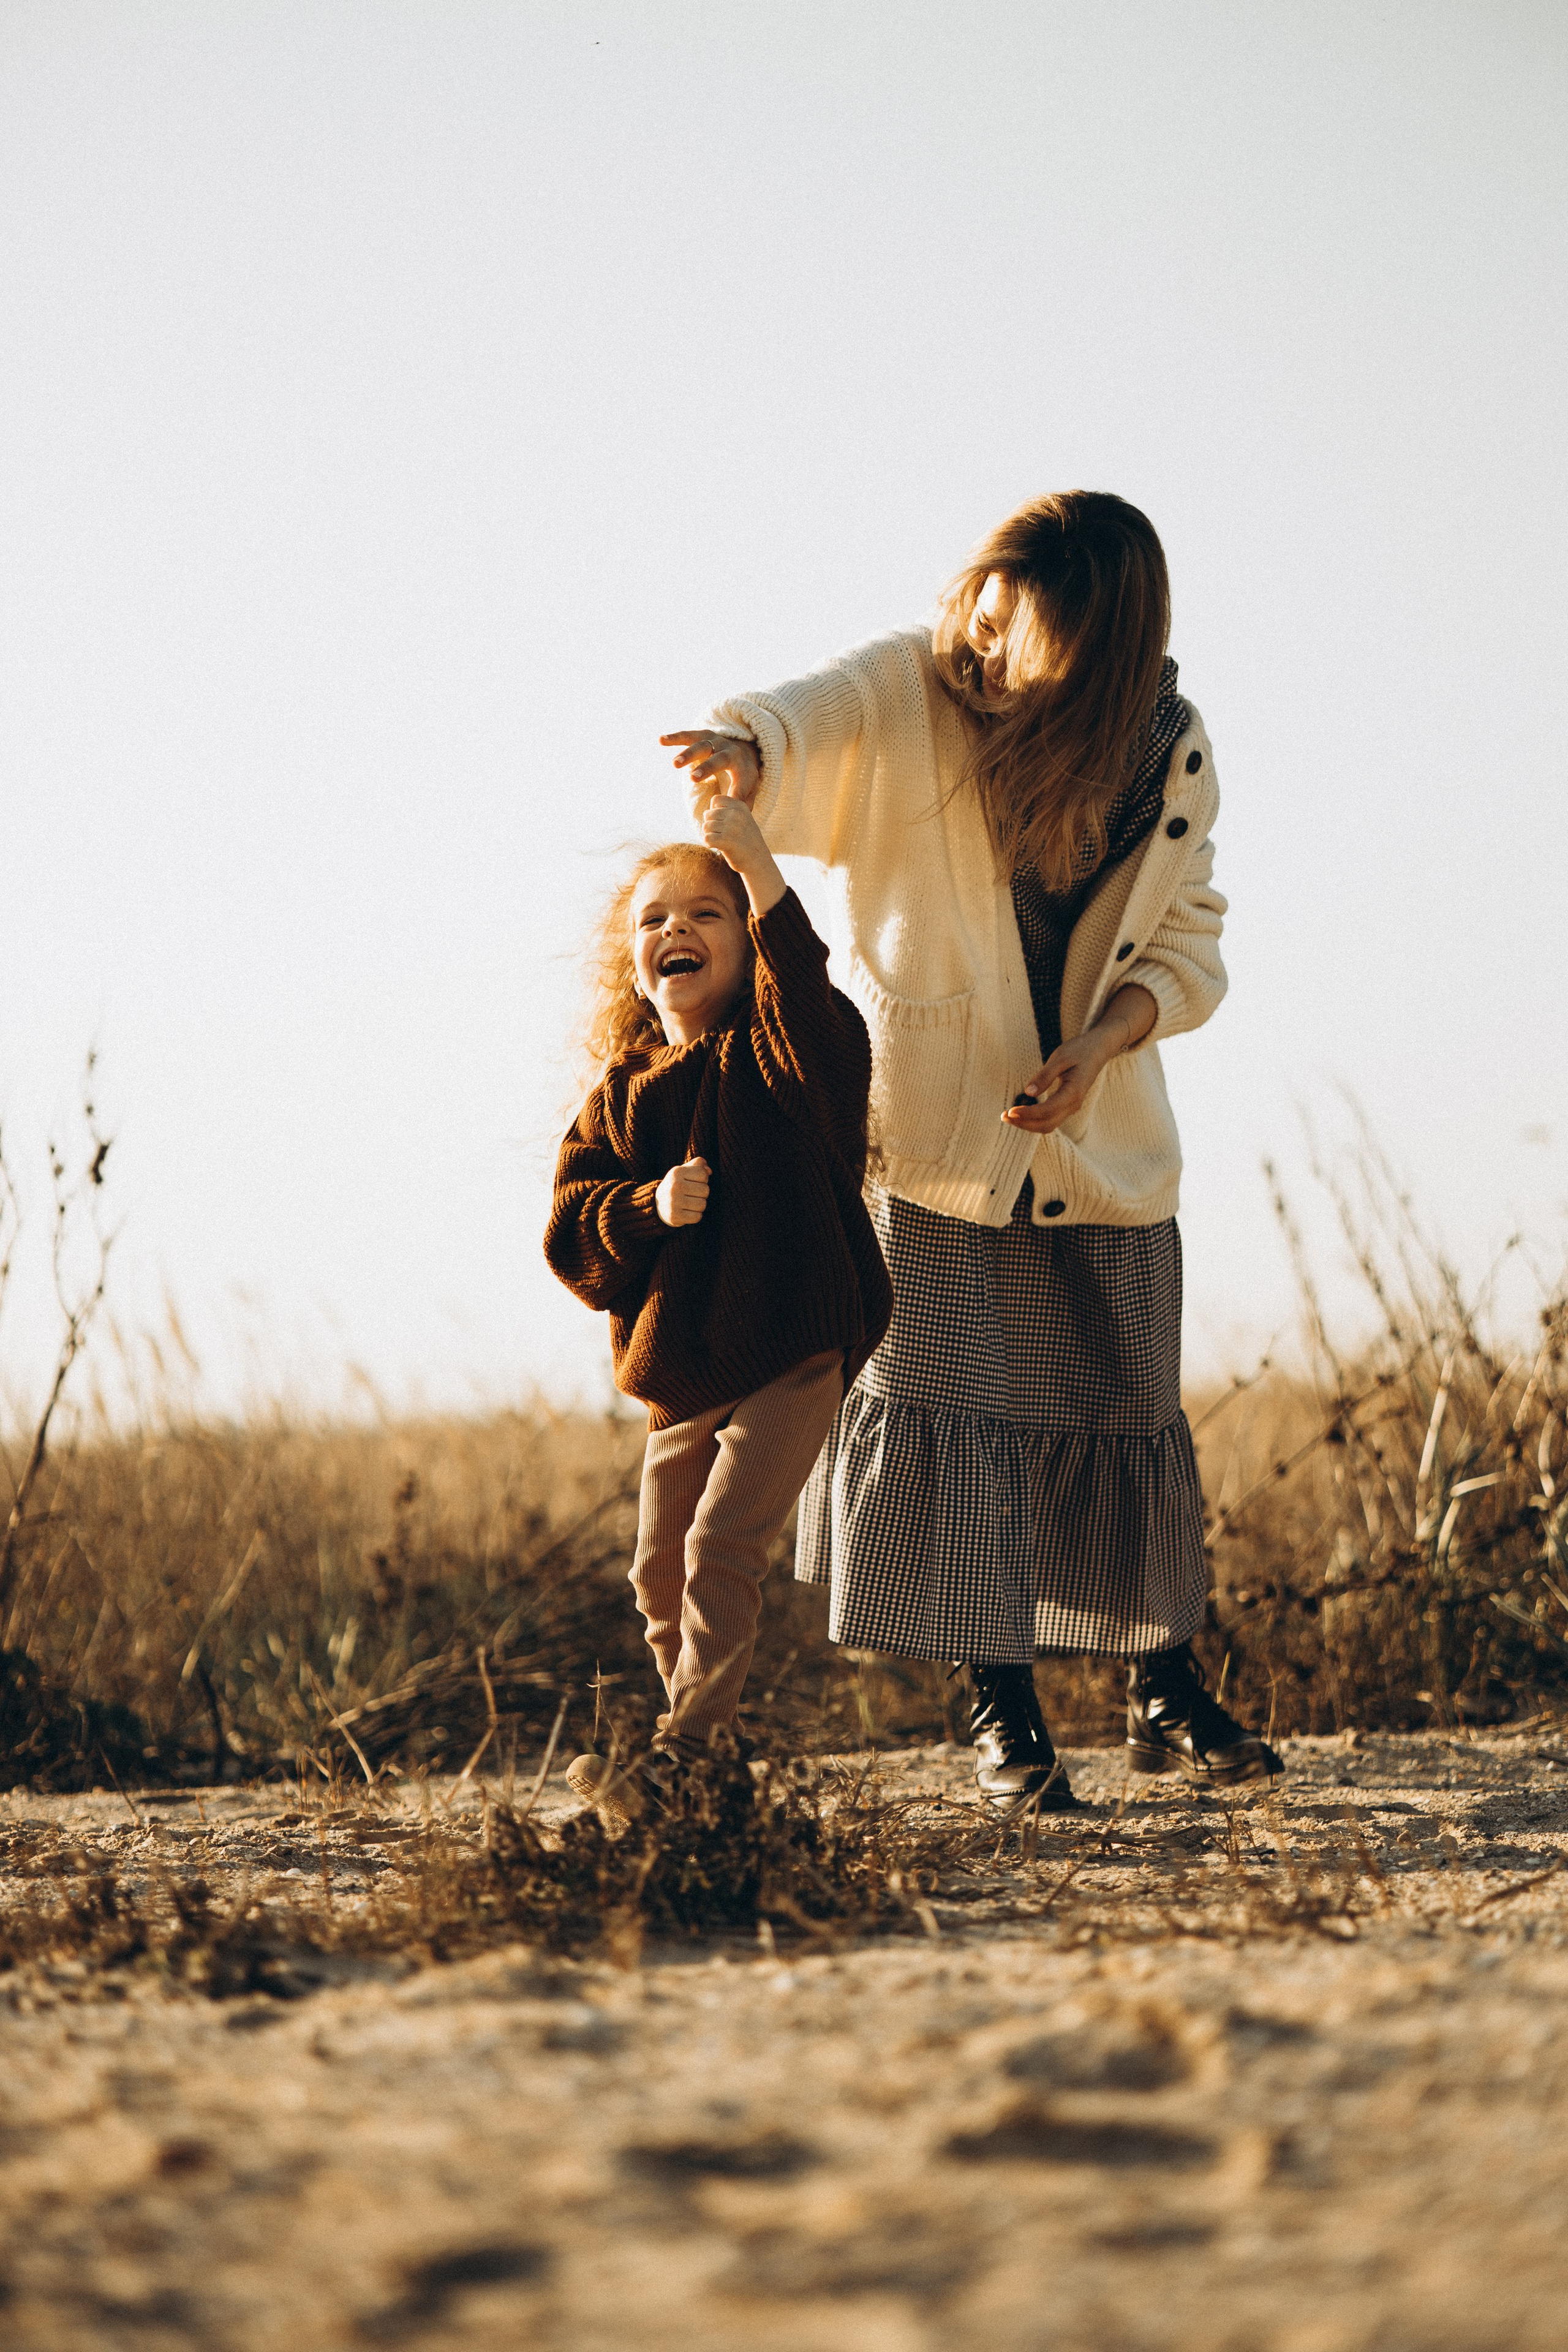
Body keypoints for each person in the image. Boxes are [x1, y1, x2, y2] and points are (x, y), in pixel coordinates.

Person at [663, 490, 1283, 1809]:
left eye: (1022, 636)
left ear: (1100, 653)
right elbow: (805, 723)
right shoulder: (916, 689)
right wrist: (743, 744)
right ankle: (1000, 1709)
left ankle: (1161, 1683)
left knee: (1122, 1414)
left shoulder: (1168, 751)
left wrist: (1099, 1047)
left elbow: (1190, 940)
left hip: (1102, 1146)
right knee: (958, 1424)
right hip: (935, 1141)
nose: (985, 650)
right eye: (984, 614)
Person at [543, 796, 892, 1815]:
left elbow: (813, 1011)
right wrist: (644, 1208)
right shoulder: (619, 1095)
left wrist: (758, 865)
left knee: (719, 1546)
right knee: (658, 1574)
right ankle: (709, 1780)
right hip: (685, 1368)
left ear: (749, 945)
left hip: (793, 1345)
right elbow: (571, 1235)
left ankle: (685, 1754)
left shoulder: (782, 1056)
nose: (676, 930)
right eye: (653, 919)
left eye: (708, 912)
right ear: (632, 960)